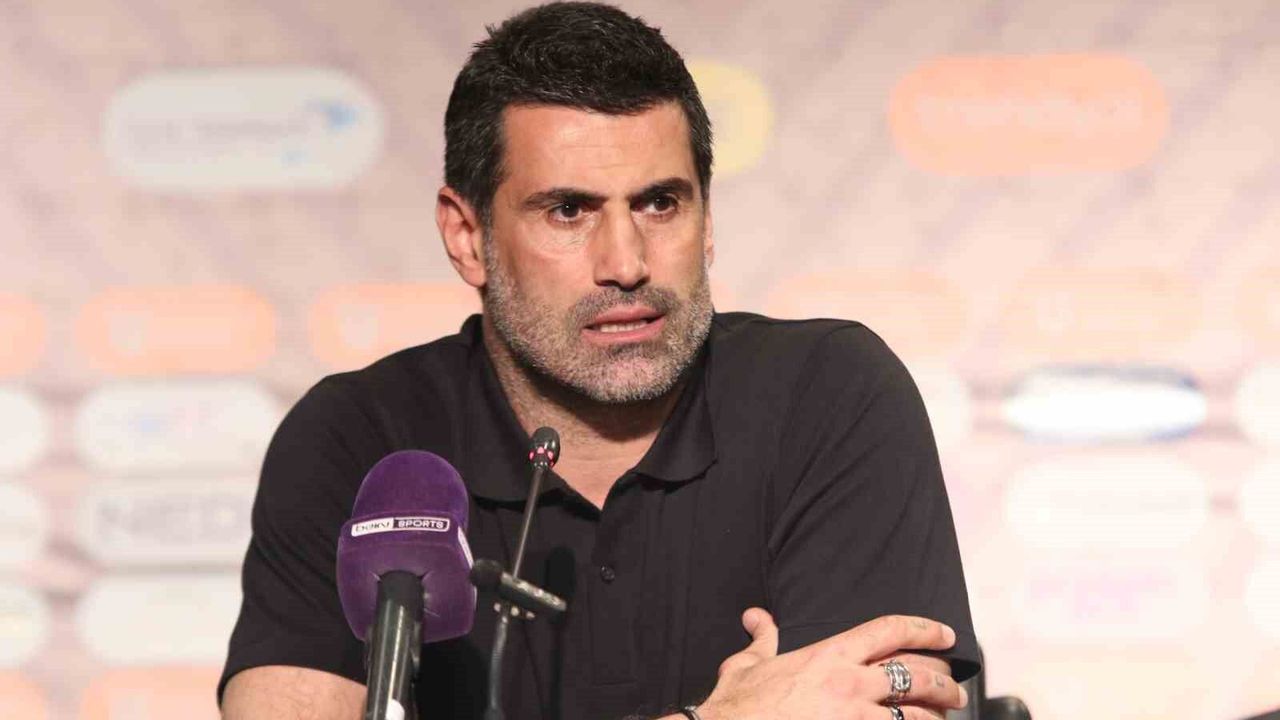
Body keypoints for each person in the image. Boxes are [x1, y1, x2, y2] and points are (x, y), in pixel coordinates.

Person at [219, 3, 980, 719]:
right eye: (568, 211)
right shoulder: (359, 439)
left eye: (660, 204)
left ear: (708, 217)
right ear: (466, 237)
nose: (626, 263)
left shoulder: (826, 393)